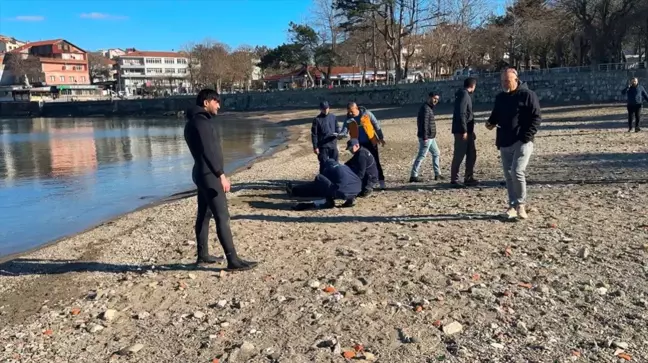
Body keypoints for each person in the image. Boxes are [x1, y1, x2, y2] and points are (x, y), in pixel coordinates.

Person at [184, 89, 257, 271]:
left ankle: (203, 255)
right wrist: (221, 175)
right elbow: (209, 151)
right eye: (216, 101)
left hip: (200, 173)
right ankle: (233, 260)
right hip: (209, 175)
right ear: (206, 102)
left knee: (204, 214)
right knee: (222, 216)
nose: (219, 105)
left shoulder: (194, 121)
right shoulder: (201, 123)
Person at [486, 68, 541, 220]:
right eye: (503, 81)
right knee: (508, 175)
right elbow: (496, 115)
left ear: (516, 80)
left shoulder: (528, 95)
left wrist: (526, 137)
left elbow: (536, 117)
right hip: (504, 141)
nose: (505, 84)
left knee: (517, 171)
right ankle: (512, 206)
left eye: (508, 81)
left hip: (522, 141)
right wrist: (490, 123)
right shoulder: (500, 97)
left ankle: (521, 205)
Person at [340, 102, 387, 189]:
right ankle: (364, 182)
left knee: (376, 161)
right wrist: (341, 135)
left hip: (371, 142)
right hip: (358, 145)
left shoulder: (367, 114)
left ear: (356, 108)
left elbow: (376, 125)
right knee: (361, 164)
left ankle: (381, 181)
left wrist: (380, 137)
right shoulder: (348, 118)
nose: (350, 113)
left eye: (351, 111)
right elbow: (344, 129)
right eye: (348, 112)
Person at [286, 159, 362, 209]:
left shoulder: (331, 168)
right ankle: (350, 199)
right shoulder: (345, 167)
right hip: (357, 189)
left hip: (341, 191)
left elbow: (322, 179)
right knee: (328, 184)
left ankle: (295, 191)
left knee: (319, 178)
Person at [451, 77, 479, 186]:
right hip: (462, 131)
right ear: (473, 86)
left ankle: (469, 176)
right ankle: (454, 179)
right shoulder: (464, 95)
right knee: (459, 154)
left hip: (468, 130)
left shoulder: (465, 95)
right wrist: (464, 130)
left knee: (472, 154)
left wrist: (471, 131)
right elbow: (461, 113)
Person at [409, 92, 441, 182]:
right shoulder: (426, 109)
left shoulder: (428, 108)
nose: (436, 101)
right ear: (429, 98)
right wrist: (425, 137)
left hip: (431, 137)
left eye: (437, 99)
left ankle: (437, 174)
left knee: (436, 153)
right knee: (422, 155)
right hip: (427, 137)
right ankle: (413, 175)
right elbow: (424, 124)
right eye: (434, 98)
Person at [311, 101, 340, 172]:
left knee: (335, 163)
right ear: (320, 109)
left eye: (327, 108)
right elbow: (314, 134)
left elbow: (337, 128)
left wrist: (339, 134)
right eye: (324, 109)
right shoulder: (317, 120)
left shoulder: (333, 117)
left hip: (333, 144)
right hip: (323, 146)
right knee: (323, 164)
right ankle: (323, 179)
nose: (326, 110)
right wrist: (315, 147)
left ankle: (335, 178)